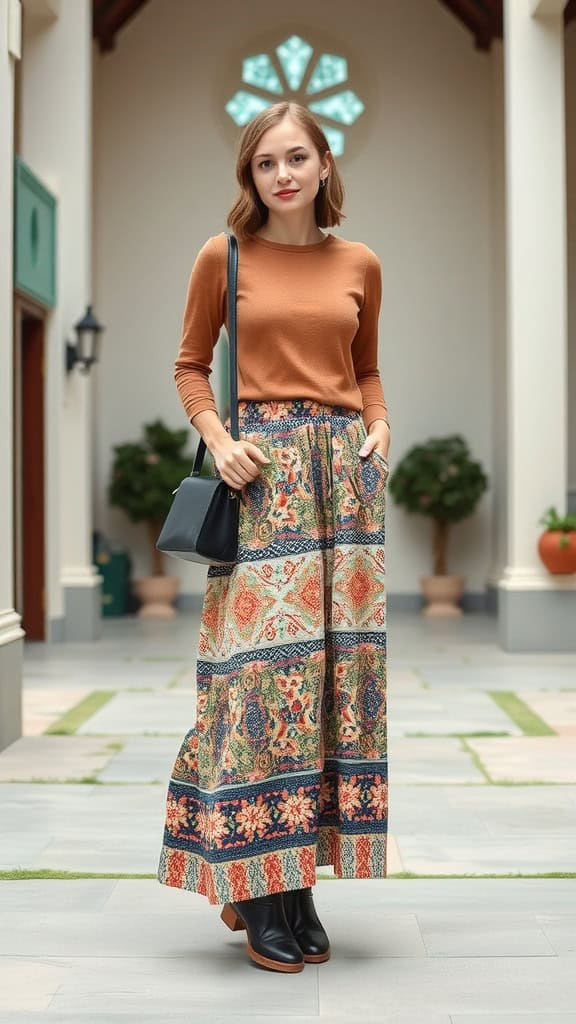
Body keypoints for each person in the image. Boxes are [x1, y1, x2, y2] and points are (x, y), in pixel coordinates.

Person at [158, 101, 390, 974]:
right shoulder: (223, 259)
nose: (282, 174)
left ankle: (296, 882)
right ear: (250, 178)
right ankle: (256, 880)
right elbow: (189, 363)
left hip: (346, 494)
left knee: (328, 678)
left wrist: (380, 425)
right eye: (265, 163)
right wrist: (219, 442)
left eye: (297, 157)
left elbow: (366, 367)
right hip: (261, 481)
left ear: (325, 165)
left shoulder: (360, 261)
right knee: (261, 683)